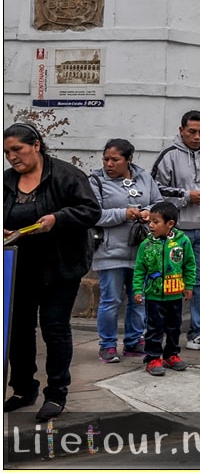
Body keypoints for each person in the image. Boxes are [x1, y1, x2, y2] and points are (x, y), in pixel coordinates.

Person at [3, 122, 101, 421]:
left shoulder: (67, 175)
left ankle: (56, 394)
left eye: (16, 150)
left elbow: (91, 211)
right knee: (19, 331)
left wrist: (57, 219)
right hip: (19, 268)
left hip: (61, 267)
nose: (11, 157)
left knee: (54, 328)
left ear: (36, 145)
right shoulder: (7, 180)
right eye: (7, 152)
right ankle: (23, 389)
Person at [151, 110, 200, 353]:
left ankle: (199, 332)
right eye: (191, 131)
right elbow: (156, 192)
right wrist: (186, 196)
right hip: (176, 232)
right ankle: (161, 332)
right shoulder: (169, 156)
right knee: (169, 282)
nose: (196, 136)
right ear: (181, 130)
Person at [90, 138, 163, 363]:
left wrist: (147, 212)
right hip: (110, 251)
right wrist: (124, 213)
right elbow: (93, 214)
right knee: (111, 300)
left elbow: (158, 203)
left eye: (115, 159)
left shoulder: (144, 177)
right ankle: (108, 345)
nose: (109, 164)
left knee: (138, 298)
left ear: (129, 160)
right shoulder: (95, 181)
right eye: (106, 159)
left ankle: (134, 341)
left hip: (141, 251)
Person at [133, 203, 195, 376]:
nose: (150, 225)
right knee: (154, 328)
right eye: (150, 221)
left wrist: (189, 285)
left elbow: (189, 264)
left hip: (174, 295)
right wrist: (138, 290)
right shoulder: (146, 245)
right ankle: (153, 358)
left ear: (170, 224)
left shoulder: (182, 241)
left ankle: (171, 355)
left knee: (174, 327)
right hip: (154, 296)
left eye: (155, 221)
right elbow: (139, 269)